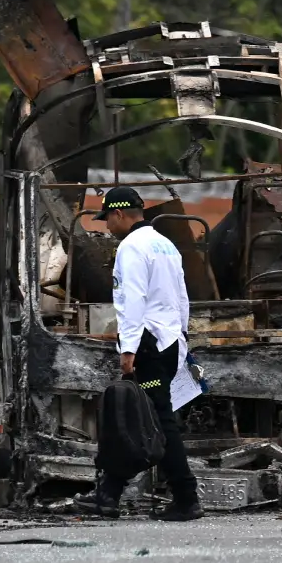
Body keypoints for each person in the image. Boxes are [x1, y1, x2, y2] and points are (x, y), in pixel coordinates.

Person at [80, 185, 204, 520]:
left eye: (108, 219)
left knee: (158, 422)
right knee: (146, 419)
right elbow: (182, 297)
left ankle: (186, 497)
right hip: (167, 340)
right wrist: (180, 338)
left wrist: (129, 349)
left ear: (119, 214)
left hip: (146, 343)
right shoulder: (166, 244)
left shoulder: (131, 248)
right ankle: (109, 494)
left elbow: (131, 301)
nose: (107, 226)